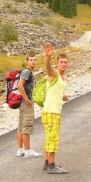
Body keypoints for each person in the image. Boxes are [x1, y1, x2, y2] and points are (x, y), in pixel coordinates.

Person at [41, 43, 70, 174]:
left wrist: (62, 96)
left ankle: (47, 162)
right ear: (57, 63)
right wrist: (47, 57)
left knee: (49, 137)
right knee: (53, 138)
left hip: (52, 110)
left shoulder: (63, 78)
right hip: (51, 111)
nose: (64, 64)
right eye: (61, 62)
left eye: (65, 62)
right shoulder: (54, 74)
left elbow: (54, 91)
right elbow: (48, 69)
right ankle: (52, 166)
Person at [16, 54, 42, 158]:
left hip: (23, 103)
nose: (33, 62)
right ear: (27, 61)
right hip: (26, 103)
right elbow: (19, 85)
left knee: (21, 127)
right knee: (27, 126)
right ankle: (28, 151)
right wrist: (27, 99)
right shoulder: (27, 71)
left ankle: (20, 150)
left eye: (35, 60)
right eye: (31, 60)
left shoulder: (28, 72)